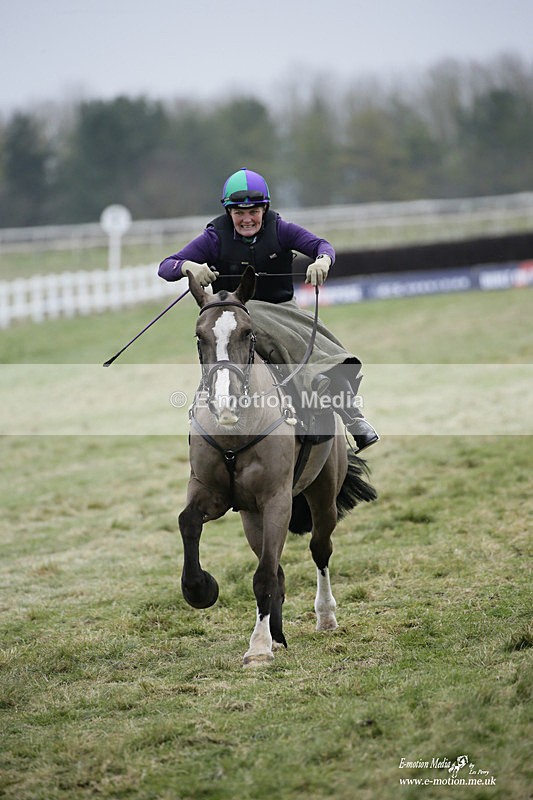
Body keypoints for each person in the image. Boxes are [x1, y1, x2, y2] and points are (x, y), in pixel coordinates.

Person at [158, 168, 379, 452]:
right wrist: (188, 266)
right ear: (228, 212)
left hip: (283, 311)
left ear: (265, 209)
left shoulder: (281, 229)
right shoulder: (214, 237)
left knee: (324, 353)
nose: (247, 219)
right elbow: (166, 266)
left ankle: (351, 416)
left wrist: (323, 261)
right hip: (233, 314)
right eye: (238, 212)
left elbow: (322, 246)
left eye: (253, 211)